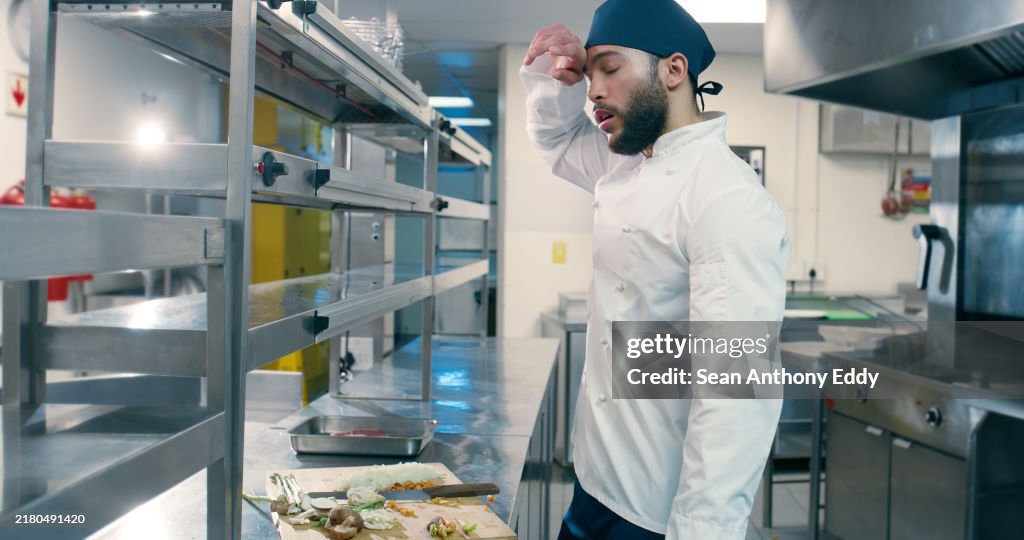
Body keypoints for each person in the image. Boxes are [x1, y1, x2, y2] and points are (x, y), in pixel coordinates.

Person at [520, 1, 791, 538]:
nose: (594, 89)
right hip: (595, 480)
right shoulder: (626, 164)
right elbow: (555, 141)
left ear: (673, 70)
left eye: (611, 68)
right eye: (590, 71)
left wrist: (700, 529)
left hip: (655, 512)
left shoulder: (725, 196)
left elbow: (734, 389)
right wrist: (554, 80)